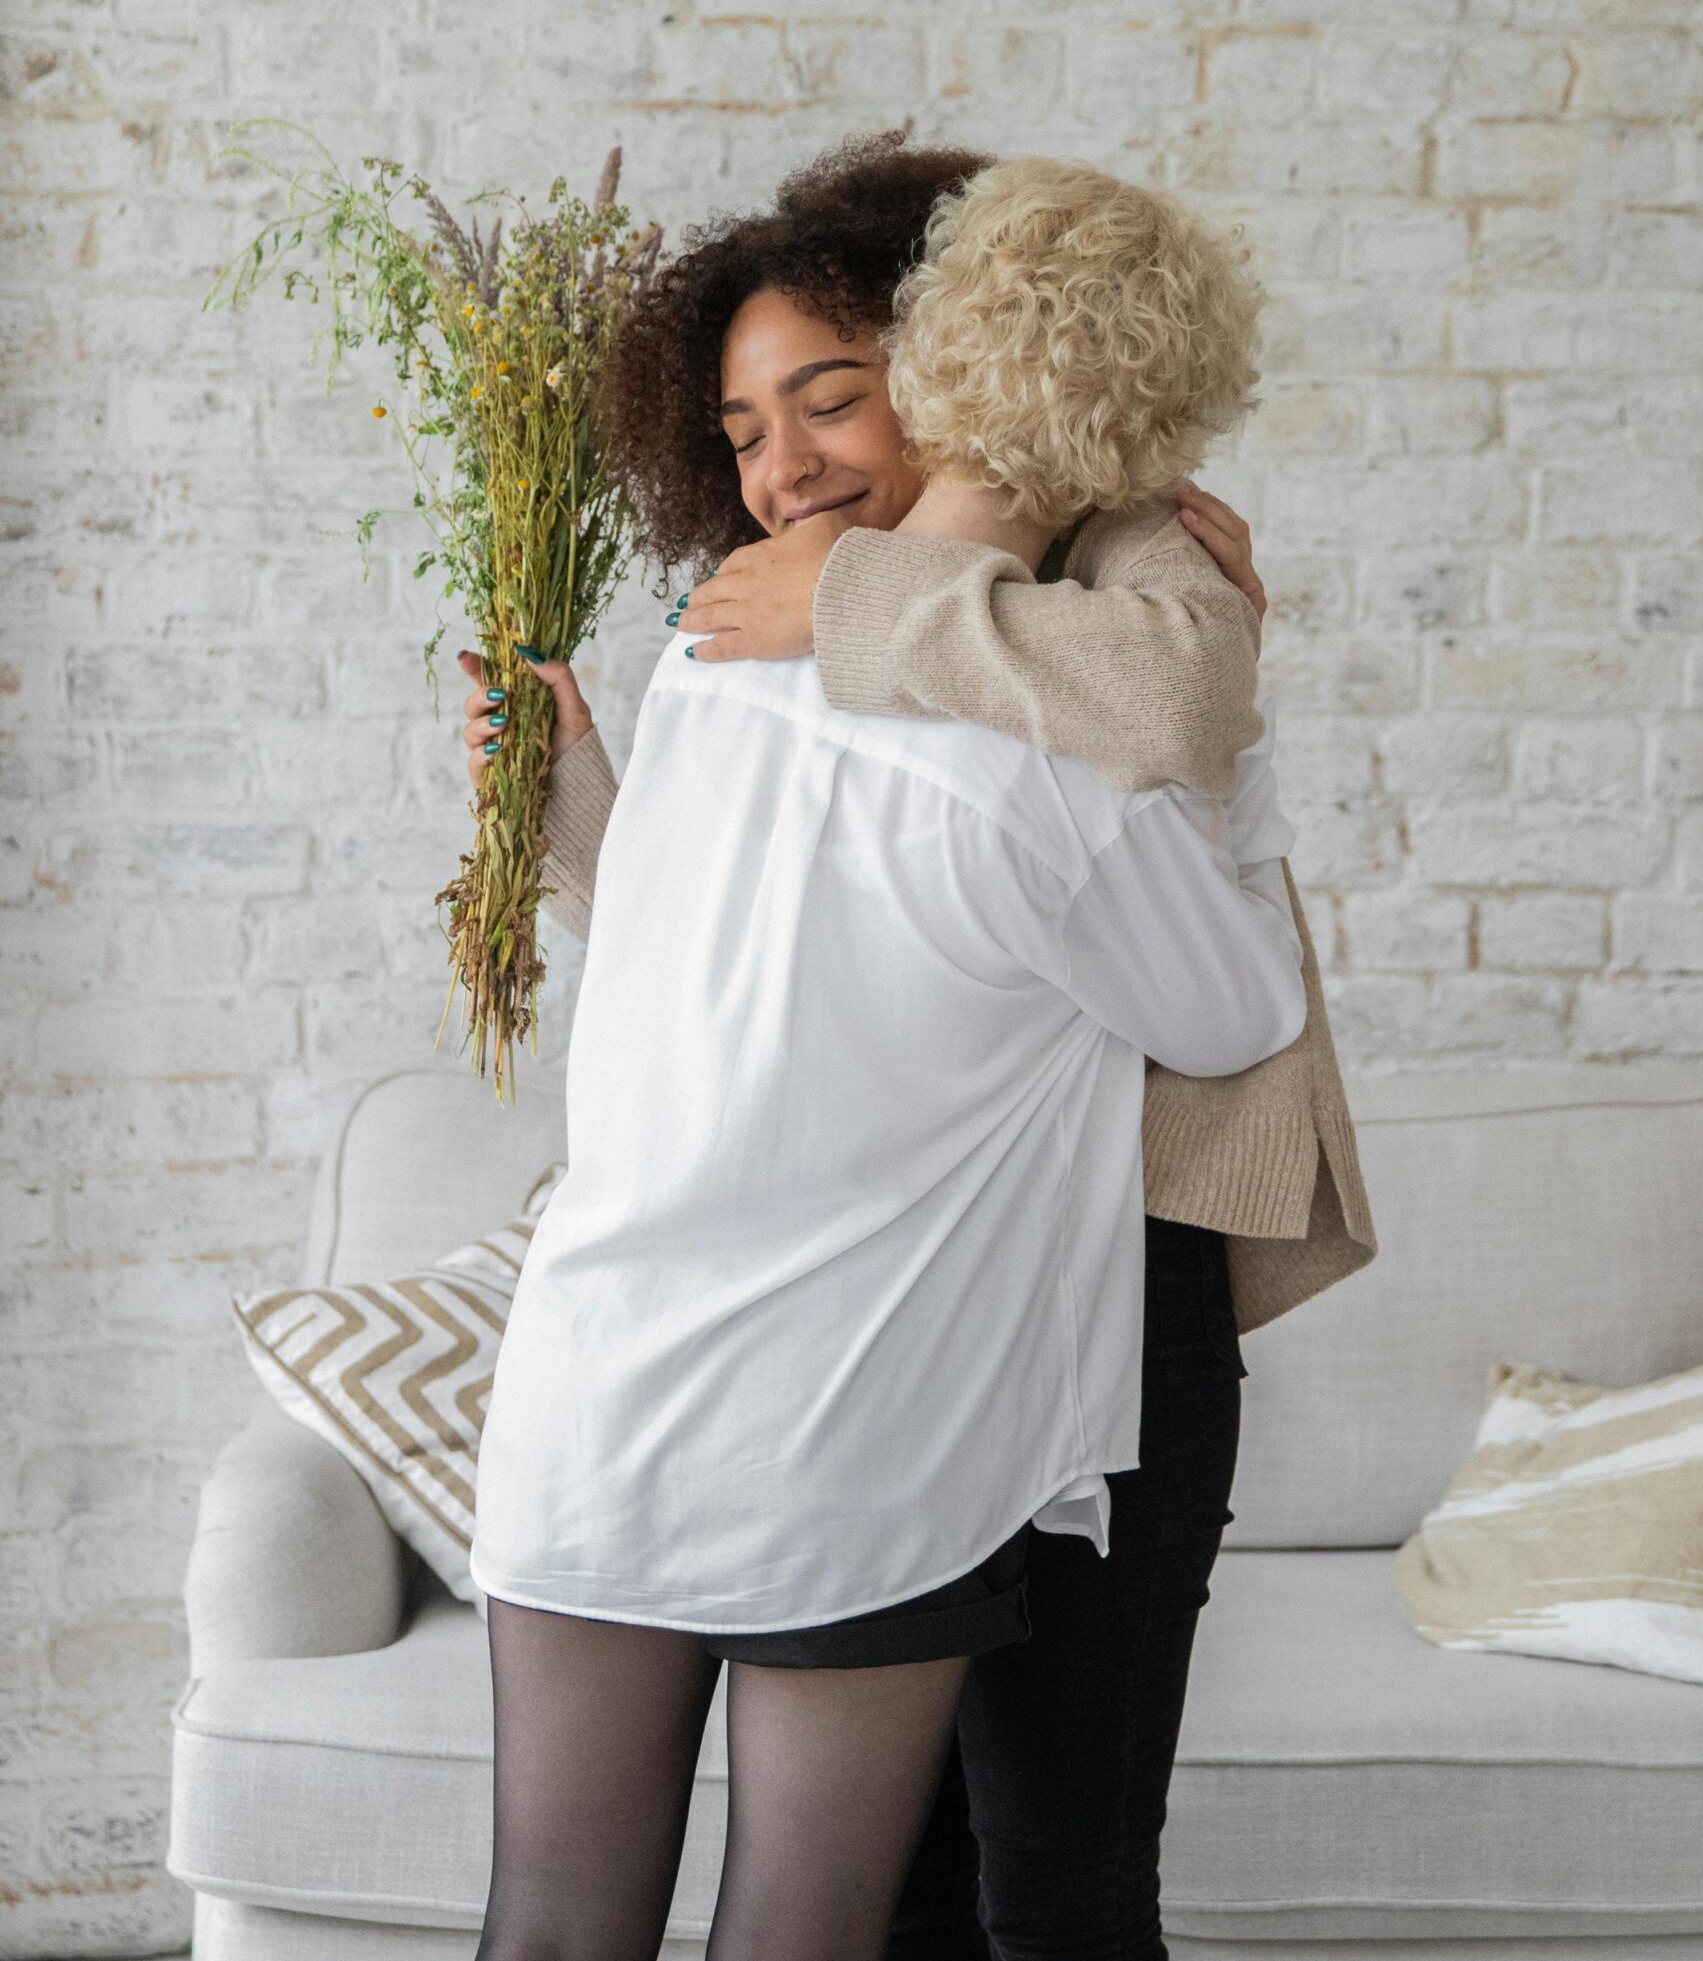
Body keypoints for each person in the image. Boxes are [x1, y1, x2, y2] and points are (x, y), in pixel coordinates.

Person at [460, 150, 1318, 1961]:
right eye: (748, 425)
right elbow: (1233, 1007)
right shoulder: (971, 741)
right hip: (843, 1423)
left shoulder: (730, 657)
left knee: (550, 1928)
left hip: (594, 1386)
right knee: (820, 1927)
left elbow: (742, 977)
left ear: (946, 375)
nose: (782, 466)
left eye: (834, 398)